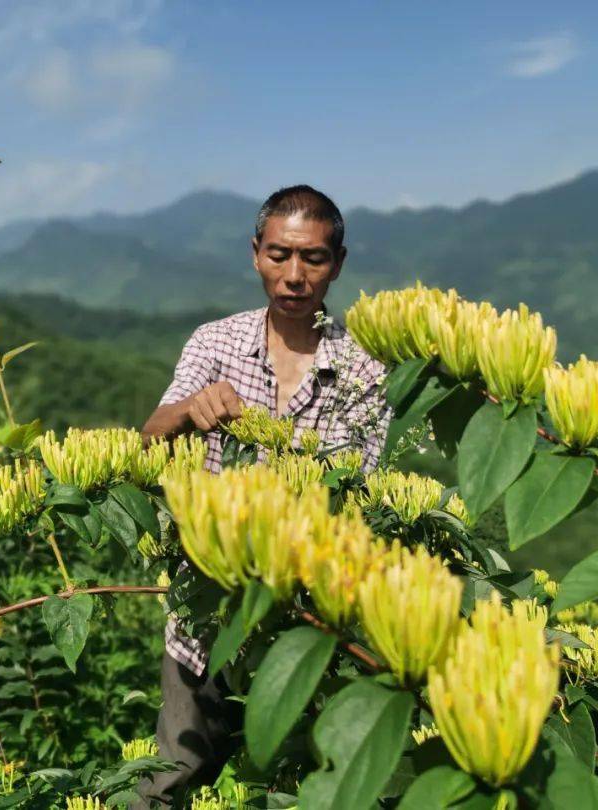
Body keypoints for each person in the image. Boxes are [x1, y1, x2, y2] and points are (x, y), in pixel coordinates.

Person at [135, 185, 391, 807]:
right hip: (206, 622)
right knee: (167, 785)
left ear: (338, 264)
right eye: (280, 256)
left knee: (306, 790)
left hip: (307, 632)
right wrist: (190, 412)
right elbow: (147, 441)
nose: (295, 276)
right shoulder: (215, 344)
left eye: (314, 259)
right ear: (255, 254)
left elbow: (359, 498)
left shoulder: (363, 369)